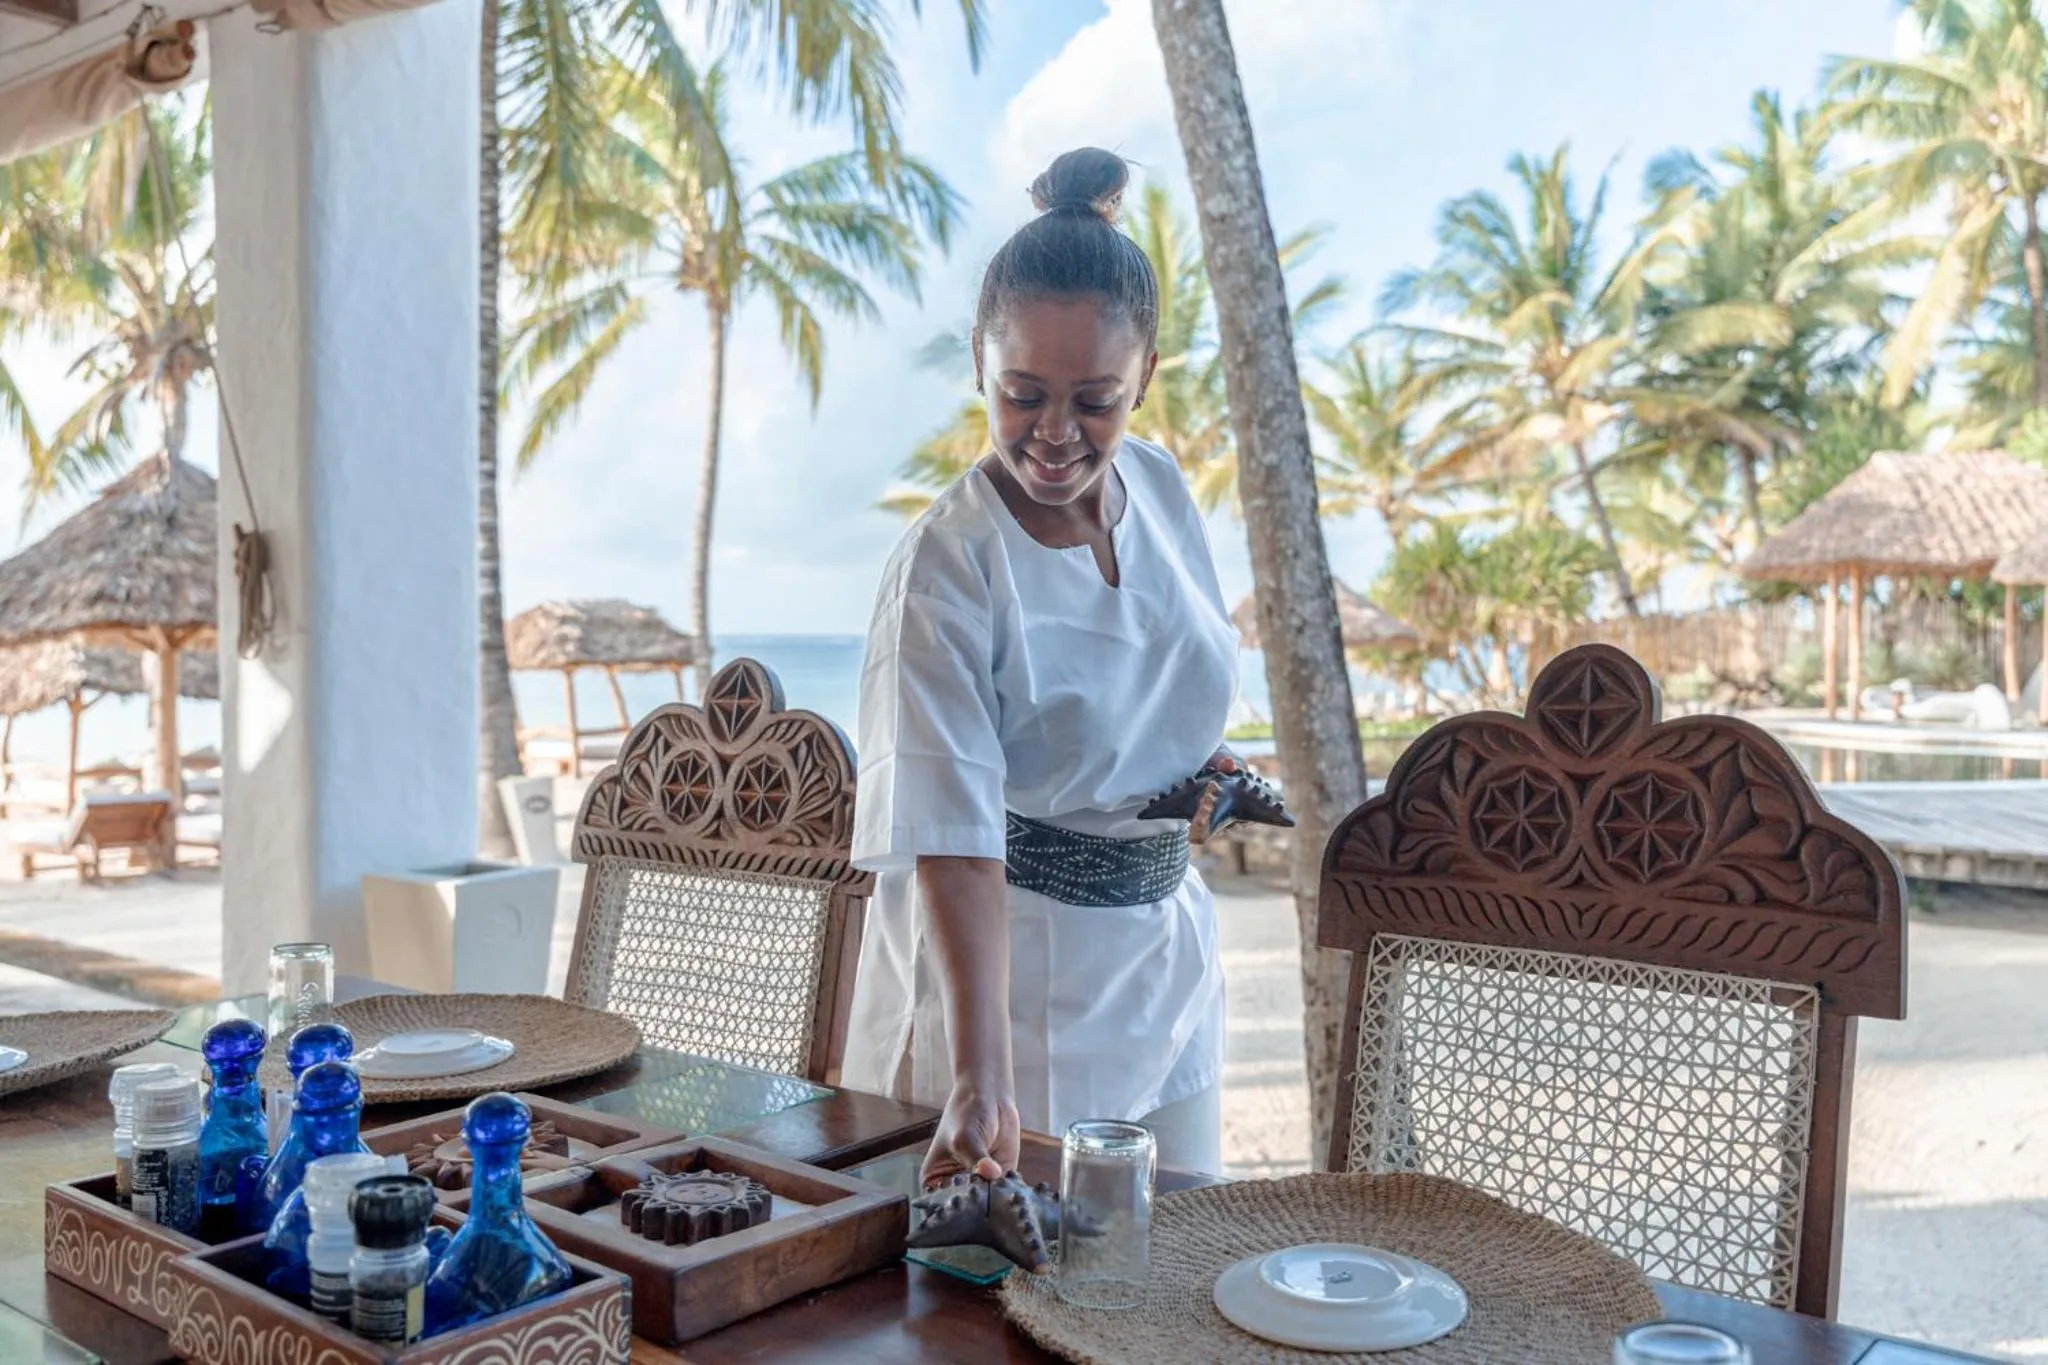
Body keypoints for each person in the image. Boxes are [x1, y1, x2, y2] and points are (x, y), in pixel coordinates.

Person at [844, 147, 1241, 1186]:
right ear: (979, 360)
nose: (1056, 434)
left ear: (1144, 378)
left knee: (1170, 1271)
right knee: (1015, 1309)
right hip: (1009, 989)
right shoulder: (944, 567)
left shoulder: (1158, 487)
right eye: (1022, 394)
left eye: (1093, 400)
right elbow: (950, 838)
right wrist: (981, 1078)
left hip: (1163, 963)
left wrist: (1199, 768)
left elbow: (1157, 677)